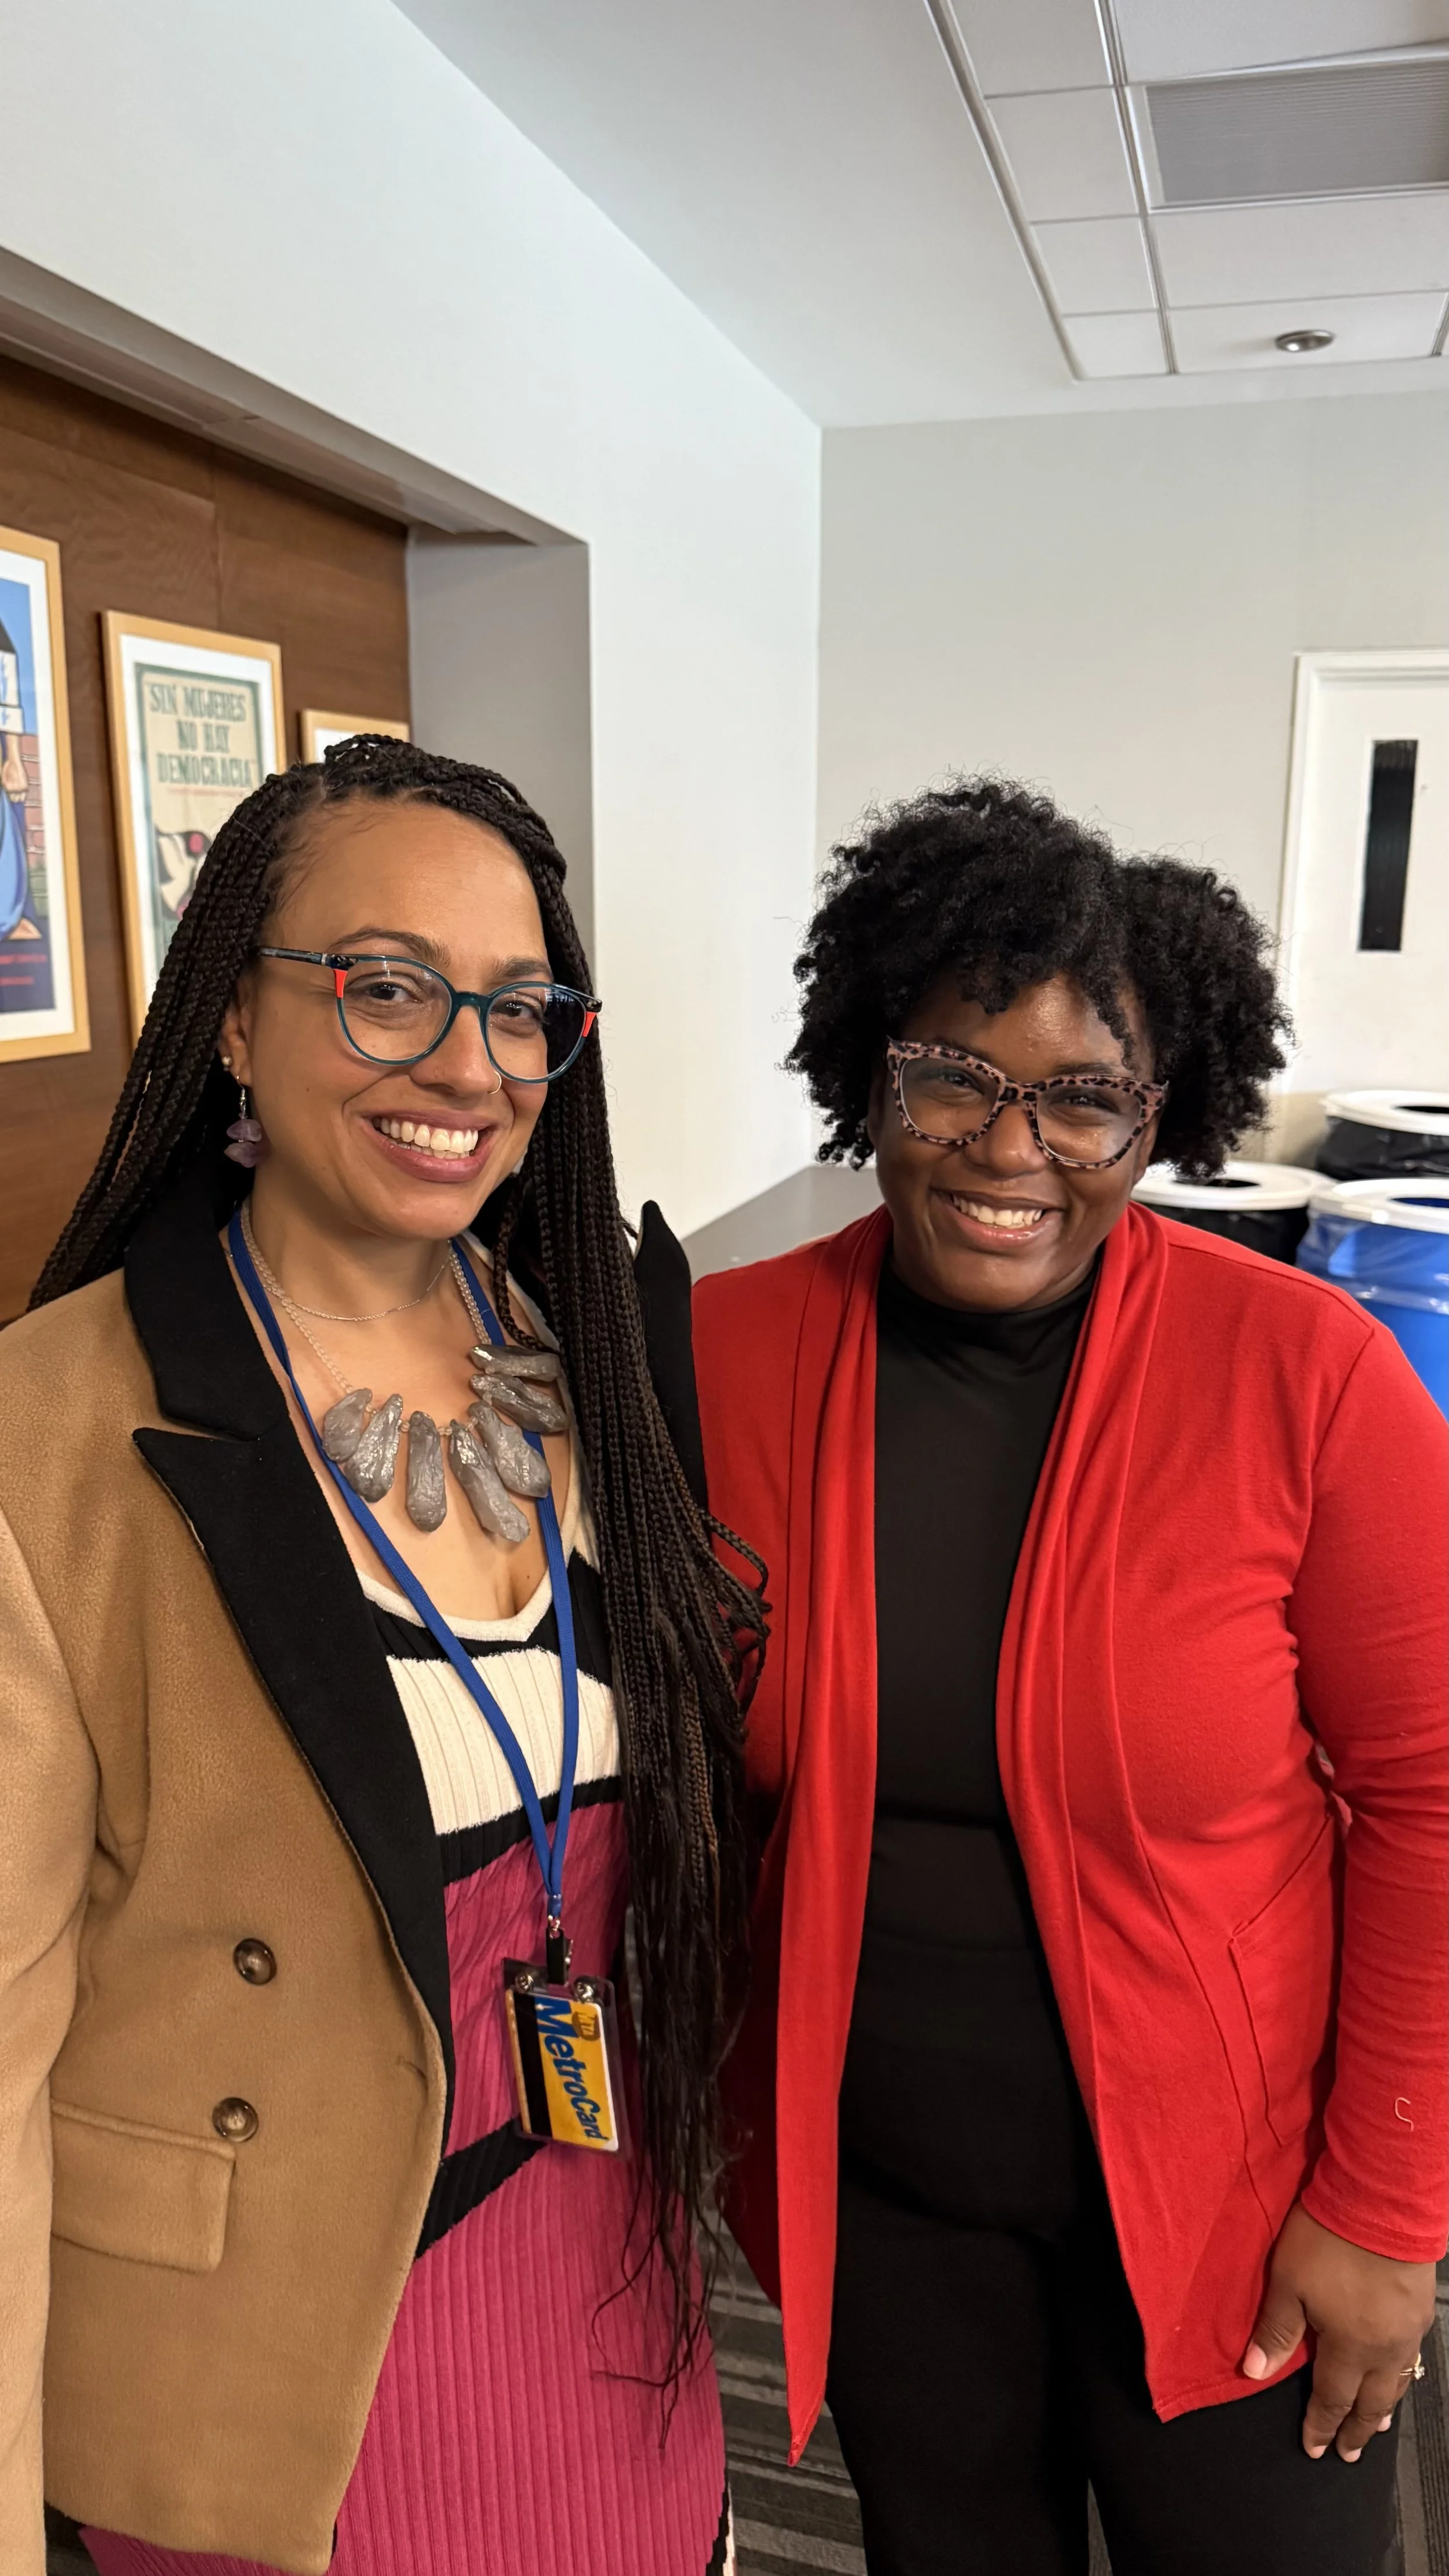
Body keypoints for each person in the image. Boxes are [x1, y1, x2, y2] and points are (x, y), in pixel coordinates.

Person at [0, 737, 763, 2576]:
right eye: (385, 987)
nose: (467, 1065)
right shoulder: (48, 1442)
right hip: (268, 2374)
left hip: (607, 2294)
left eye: (519, 1009)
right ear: (237, 1025)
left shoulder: (596, 1357)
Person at [692, 778, 1447, 2576]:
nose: (1007, 1145)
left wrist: (1386, 2203)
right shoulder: (719, 1352)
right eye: (952, 1070)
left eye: (1085, 1095)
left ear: (1159, 1110)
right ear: (867, 1073)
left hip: (1232, 2206)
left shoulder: (1304, 1373)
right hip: (883, 2199)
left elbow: (1428, 1802)